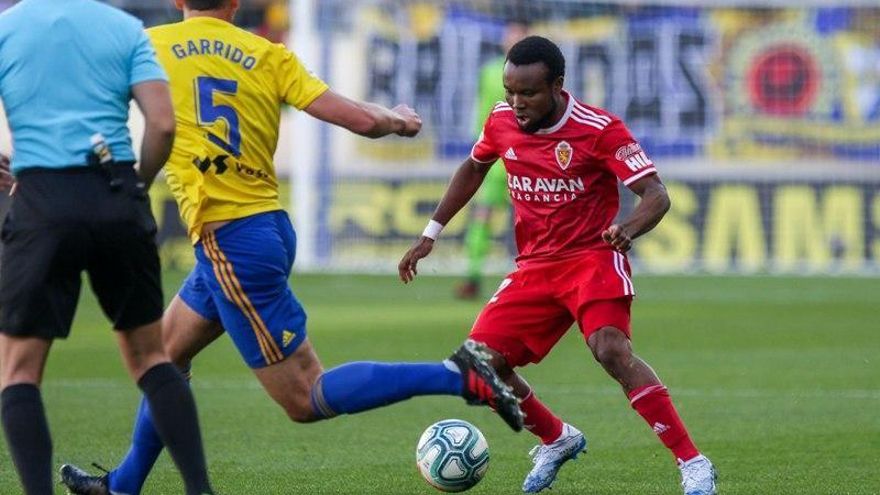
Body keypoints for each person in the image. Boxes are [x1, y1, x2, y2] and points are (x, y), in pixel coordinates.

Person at [60, 1, 523, 494]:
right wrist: (397, 119)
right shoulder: (266, 53)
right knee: (165, 358)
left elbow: (86, 102)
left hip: (230, 241)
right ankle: (121, 487)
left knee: (305, 398)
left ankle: (458, 376)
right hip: (266, 230)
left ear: (178, 1)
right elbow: (360, 119)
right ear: (235, 3)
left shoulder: (148, 48)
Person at [399, 36, 717, 495]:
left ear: (558, 86)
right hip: (535, 266)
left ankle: (693, 463)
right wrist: (430, 233)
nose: (516, 102)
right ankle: (556, 439)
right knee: (479, 367)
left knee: (610, 350)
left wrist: (627, 229)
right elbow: (473, 167)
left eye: (527, 92)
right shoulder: (502, 121)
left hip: (592, 257)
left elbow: (657, 195)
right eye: (510, 91)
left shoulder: (599, 129)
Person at [0, 1, 215, 495]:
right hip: (115, 196)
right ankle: (200, 490)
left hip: (42, 201)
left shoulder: (8, 28)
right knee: (153, 361)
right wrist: (134, 182)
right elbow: (161, 124)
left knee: (19, 370)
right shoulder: (124, 28)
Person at [455, 21, 528, 300]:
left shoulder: (538, 72)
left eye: (517, 34)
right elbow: (484, 114)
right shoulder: (489, 72)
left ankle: (534, 276)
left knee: (533, 220)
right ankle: (472, 275)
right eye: (508, 34)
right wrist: (480, 147)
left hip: (527, 161)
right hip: (497, 161)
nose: (511, 39)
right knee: (482, 218)